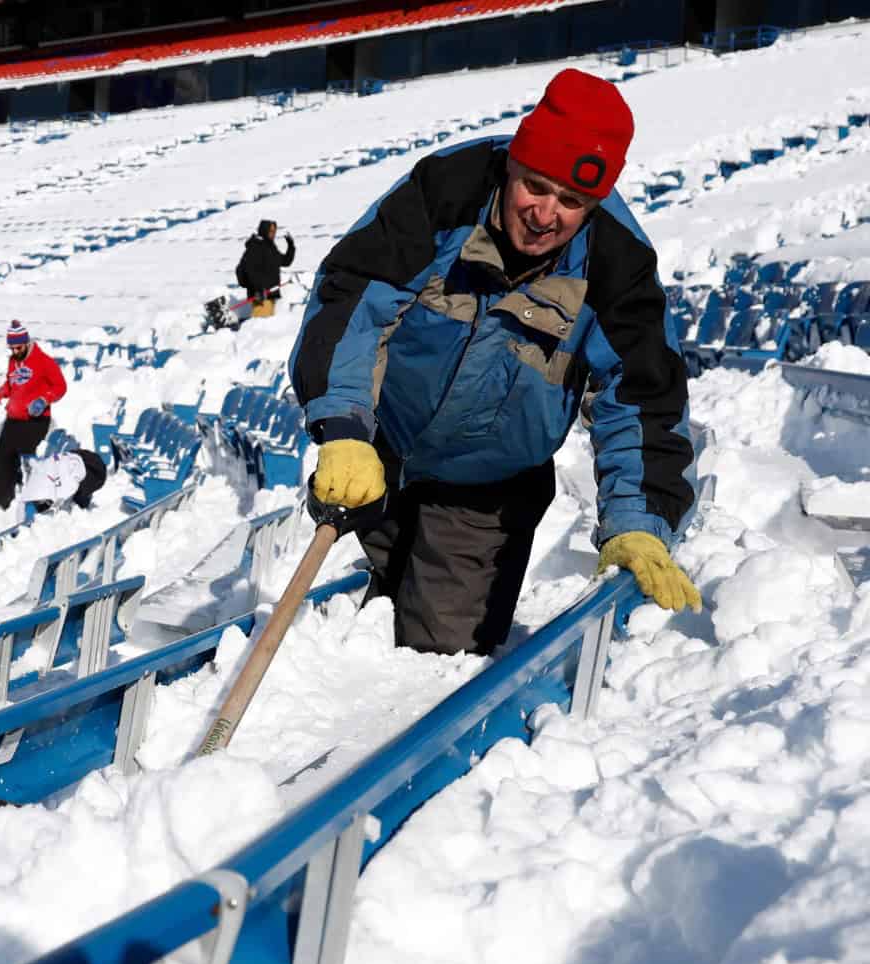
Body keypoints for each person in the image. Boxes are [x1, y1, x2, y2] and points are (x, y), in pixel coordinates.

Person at [291, 68, 700, 657]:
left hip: (485, 489)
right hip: (380, 450)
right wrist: (345, 429)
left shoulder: (616, 261)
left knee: (438, 662)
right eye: (536, 186)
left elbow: (641, 397)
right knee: (347, 629)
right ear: (513, 163)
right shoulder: (444, 193)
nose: (546, 214)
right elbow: (354, 298)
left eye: (572, 201)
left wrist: (638, 521)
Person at [0, 320, 67, 510]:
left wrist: (43, 400)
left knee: (25, 457)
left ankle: (35, 500)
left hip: (35, 420)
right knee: (1, 460)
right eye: (11, 348)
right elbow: (12, 384)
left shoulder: (44, 361)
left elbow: (60, 387)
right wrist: (1, 392)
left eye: (18, 347)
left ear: (26, 342)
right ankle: (3, 505)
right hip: (13, 419)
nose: (15, 351)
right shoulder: (13, 362)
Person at [236, 219, 296, 318]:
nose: (273, 234)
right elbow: (249, 270)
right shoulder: (255, 246)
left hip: (272, 295)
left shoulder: (271, 248)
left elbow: (285, 262)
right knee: (262, 328)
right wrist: (257, 290)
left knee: (269, 327)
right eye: (271, 231)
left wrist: (291, 246)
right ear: (264, 230)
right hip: (260, 297)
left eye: (274, 231)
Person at [18, 448, 107, 513]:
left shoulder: (65, 487)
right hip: (78, 457)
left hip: (95, 471)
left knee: (78, 499)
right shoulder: (43, 474)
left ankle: (83, 504)